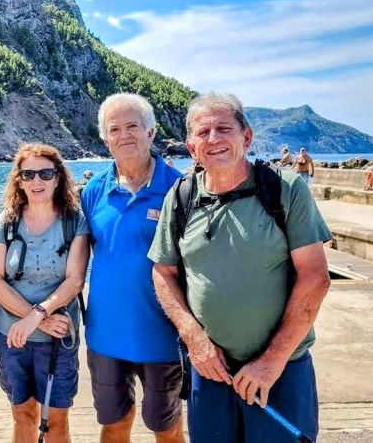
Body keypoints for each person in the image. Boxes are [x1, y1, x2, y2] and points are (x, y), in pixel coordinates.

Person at [149, 92, 332, 442]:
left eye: (223, 128)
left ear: (246, 137)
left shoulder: (285, 189)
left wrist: (272, 361)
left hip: (281, 371)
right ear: (191, 147)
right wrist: (193, 338)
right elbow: (163, 272)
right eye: (203, 133)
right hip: (210, 370)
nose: (213, 139)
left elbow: (315, 276)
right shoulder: (181, 196)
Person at [80, 93, 186, 443]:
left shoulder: (178, 188)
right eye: (115, 129)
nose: (124, 135)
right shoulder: (93, 191)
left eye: (132, 126)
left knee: (166, 427)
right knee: (114, 424)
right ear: (105, 138)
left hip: (163, 336)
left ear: (151, 132)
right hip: (105, 335)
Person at [0, 143, 89, 443]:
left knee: (55, 420)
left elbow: (75, 281)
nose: (37, 181)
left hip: (60, 339)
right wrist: (37, 319)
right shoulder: (5, 223)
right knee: (23, 415)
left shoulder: (74, 222)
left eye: (45, 173)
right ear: (18, 180)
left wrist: (37, 316)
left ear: (58, 178)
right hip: (12, 337)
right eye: (28, 174)